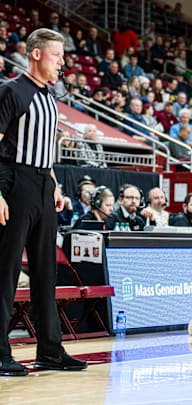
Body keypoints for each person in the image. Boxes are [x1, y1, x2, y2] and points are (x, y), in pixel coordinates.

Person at [0, 28, 87, 375]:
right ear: (36, 55)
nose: (62, 62)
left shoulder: (50, 97)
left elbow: (45, 154)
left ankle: (50, 350)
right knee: (5, 272)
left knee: (45, 272)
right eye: (57, 56)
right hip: (14, 182)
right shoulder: (10, 91)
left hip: (41, 185)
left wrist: (54, 185)